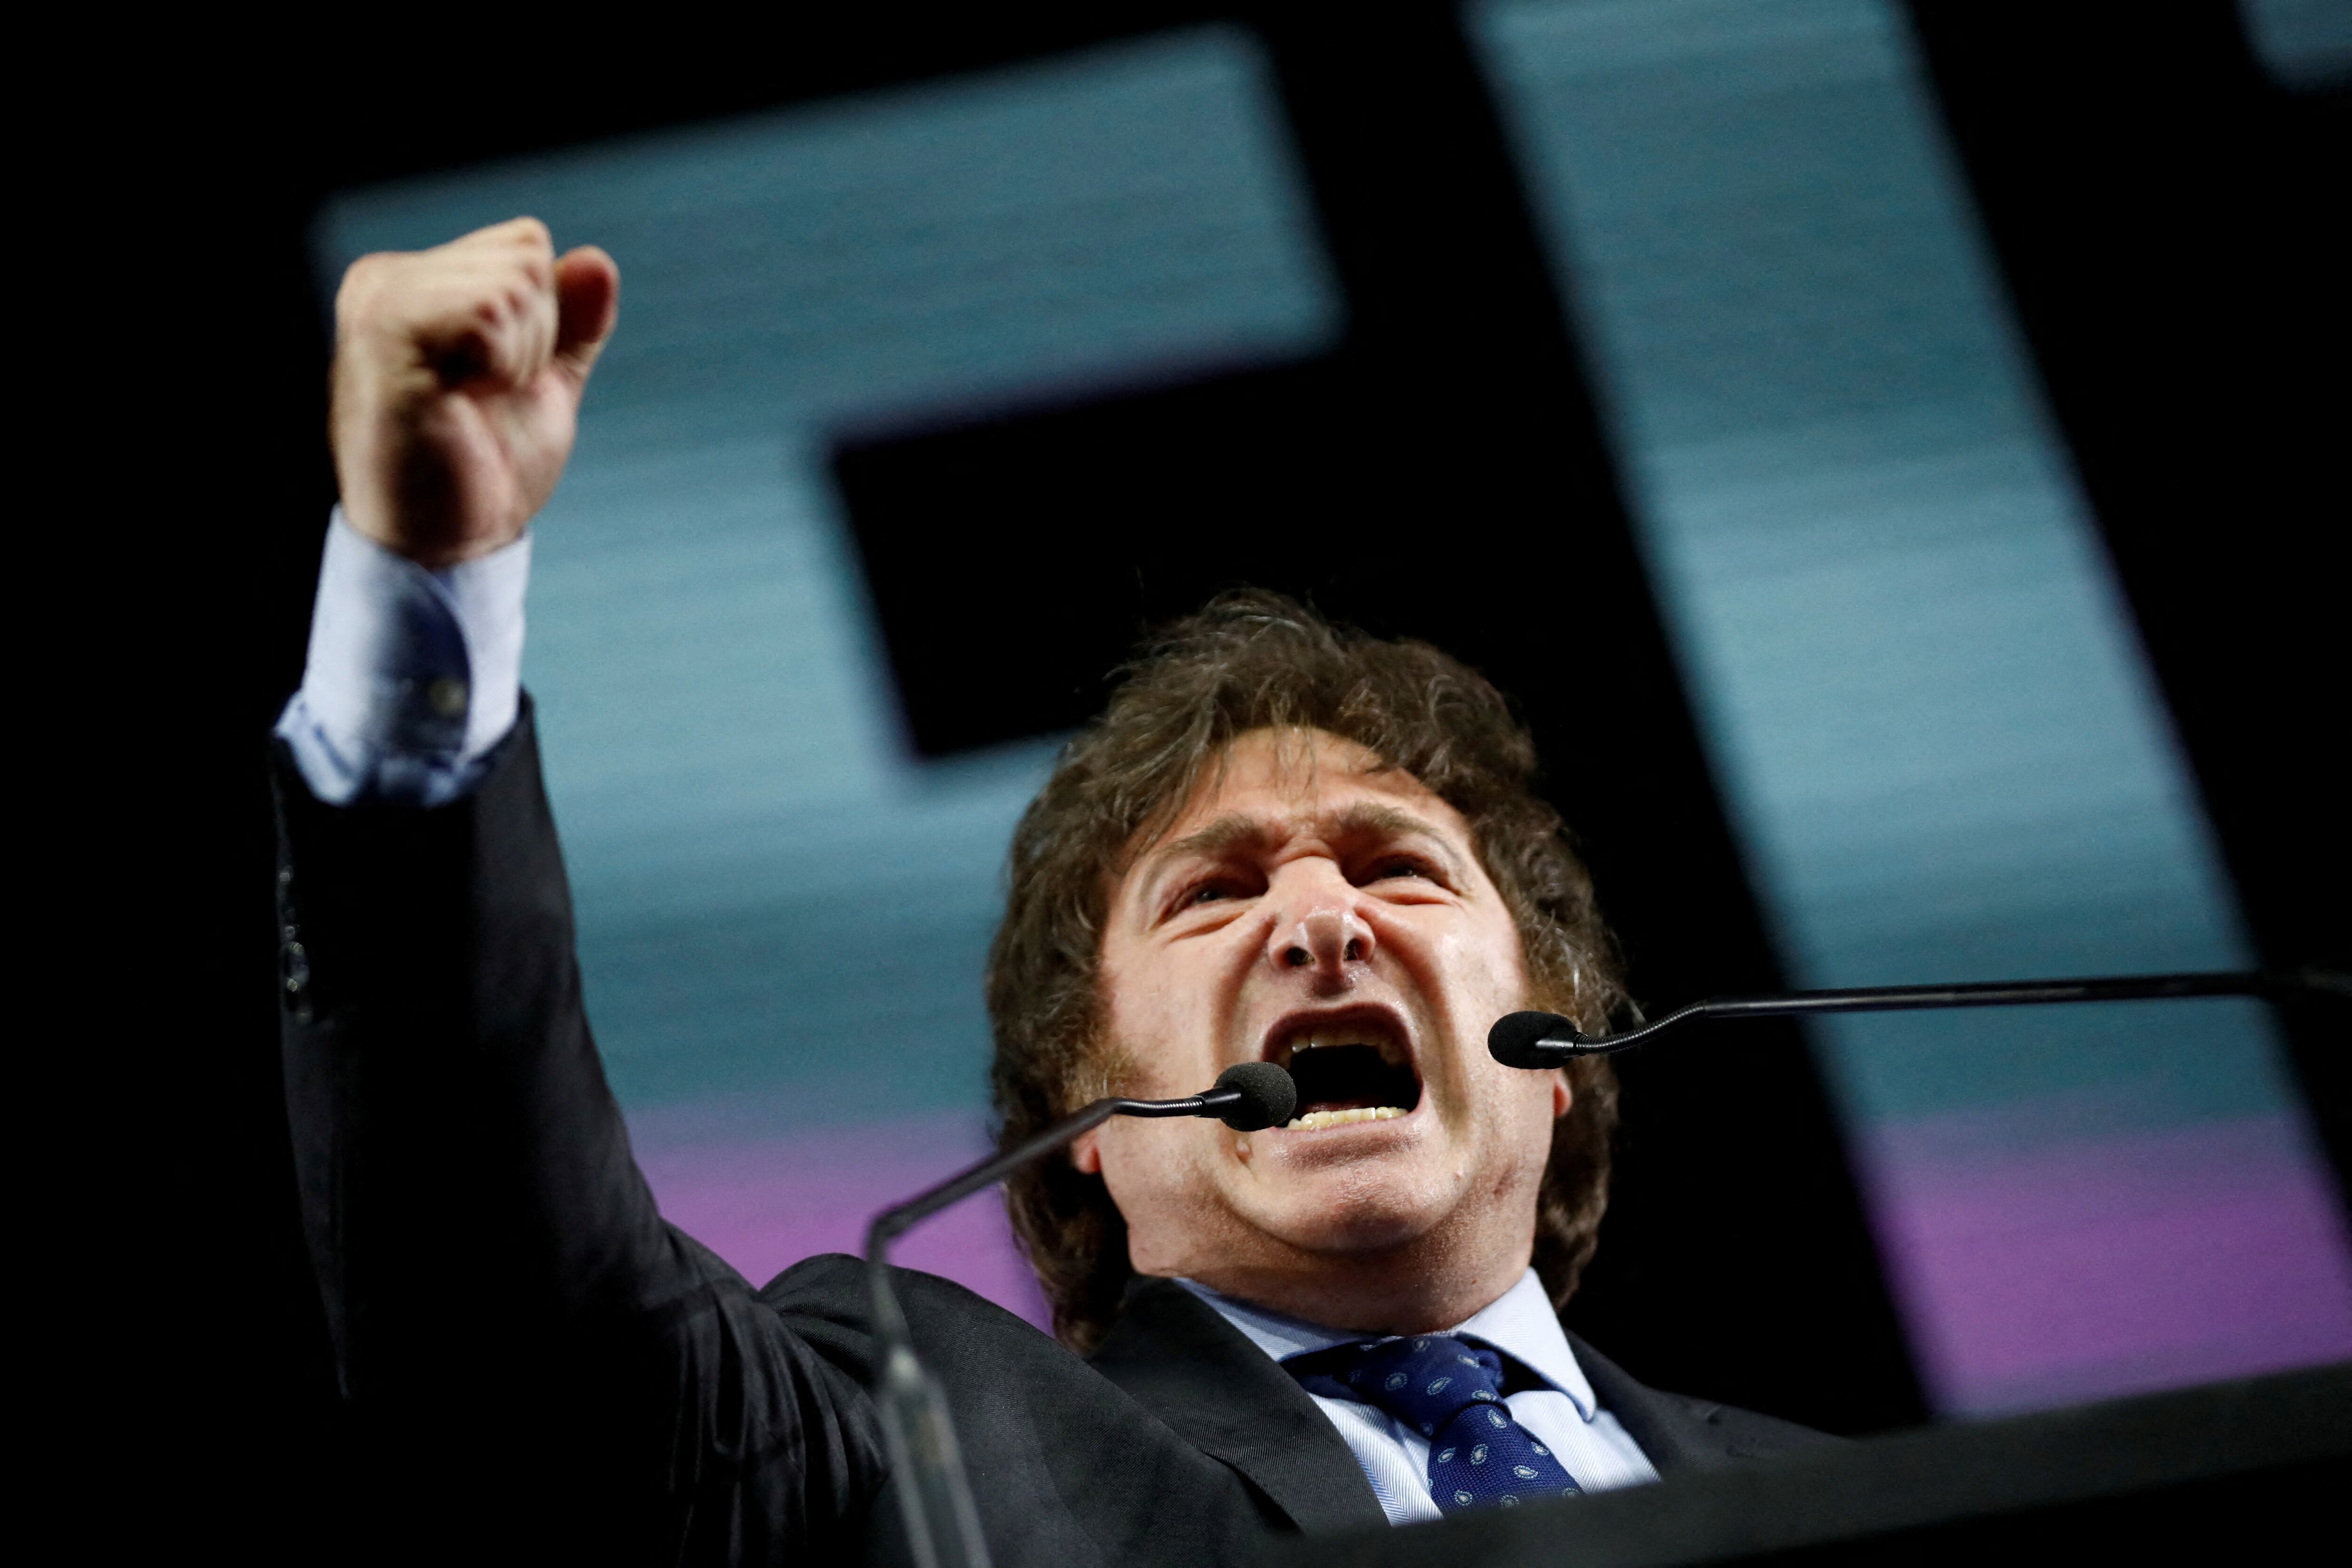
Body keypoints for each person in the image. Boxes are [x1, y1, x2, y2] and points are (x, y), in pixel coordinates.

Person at [275, 218, 1830, 1564]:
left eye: (1394, 864)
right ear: (1090, 1120)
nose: (1319, 919)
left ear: (1556, 1061)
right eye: (1210, 896)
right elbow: (525, 1354)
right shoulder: (925, 1439)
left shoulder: (1838, 1489)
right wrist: (427, 601)